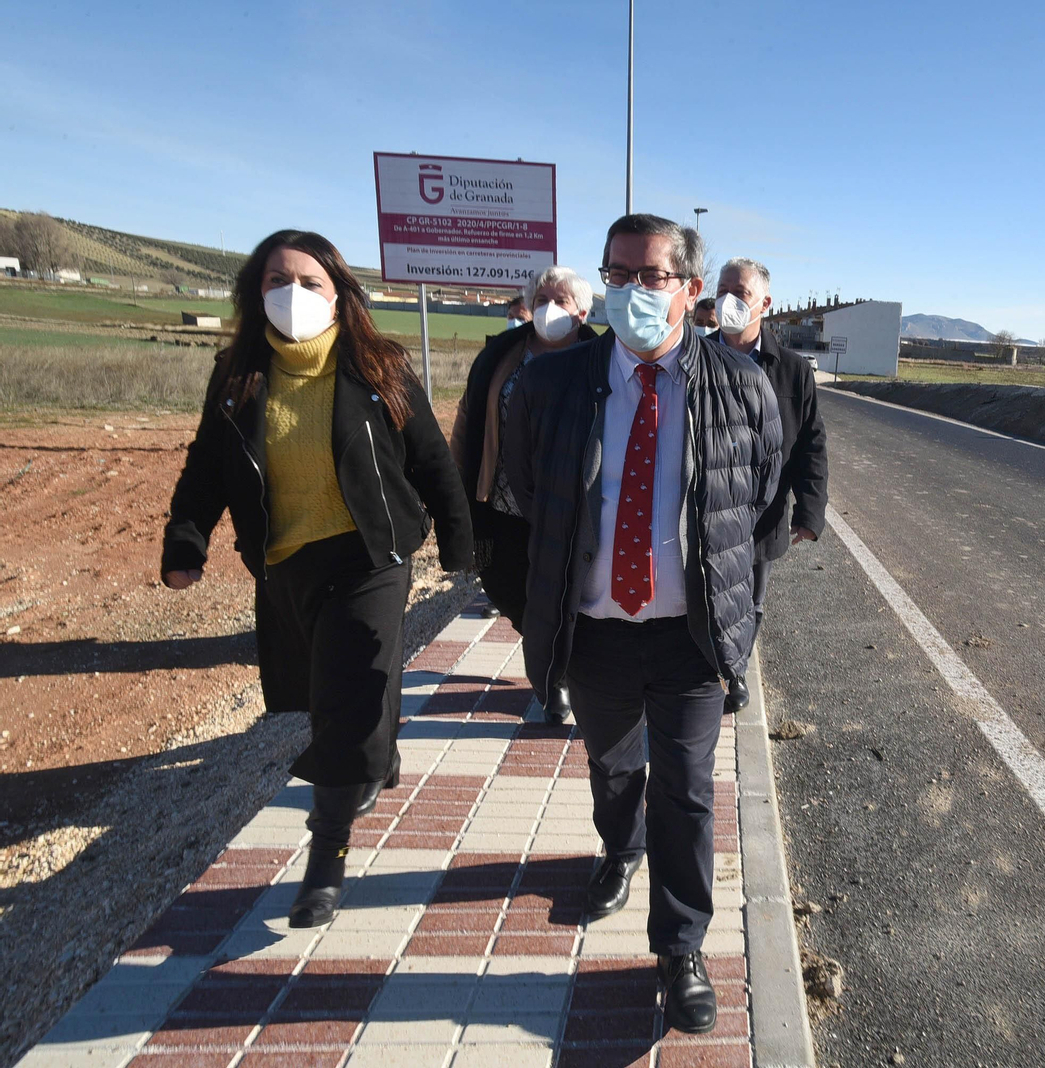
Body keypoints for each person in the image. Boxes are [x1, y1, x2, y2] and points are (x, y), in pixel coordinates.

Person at [502, 213, 780, 1034]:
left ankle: (682, 946)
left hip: (689, 636)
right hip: (595, 630)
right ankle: (618, 850)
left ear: (691, 290)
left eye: (649, 276)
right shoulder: (552, 384)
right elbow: (527, 489)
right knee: (615, 768)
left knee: (689, 795)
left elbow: (755, 505)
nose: (629, 291)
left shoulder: (740, 387)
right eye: (615, 274)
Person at [162, 230, 472, 929]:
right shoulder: (237, 377)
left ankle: (323, 864)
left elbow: (430, 459)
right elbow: (207, 467)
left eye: (309, 283)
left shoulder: (376, 367)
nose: (292, 295)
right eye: (277, 280)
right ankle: (373, 755)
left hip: (372, 557)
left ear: (340, 295)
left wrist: (458, 540)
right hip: (285, 565)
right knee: (337, 696)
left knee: (349, 698)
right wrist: (186, 539)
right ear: (254, 290)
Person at [449, 266, 597, 723]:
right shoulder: (502, 354)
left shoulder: (600, 357)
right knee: (507, 589)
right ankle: (544, 652)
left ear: (582, 311)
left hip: (571, 507)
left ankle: (557, 679)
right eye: (542, 297)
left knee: (569, 597)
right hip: (502, 505)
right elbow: (469, 418)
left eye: (561, 300)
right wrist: (457, 489)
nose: (549, 307)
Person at [711, 258, 828, 712]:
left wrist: (810, 513)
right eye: (722, 290)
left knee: (751, 602)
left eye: (739, 292)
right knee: (701, 596)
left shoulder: (793, 371)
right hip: (703, 506)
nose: (728, 301)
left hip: (763, 513)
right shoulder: (694, 357)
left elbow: (811, 445)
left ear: (764, 303)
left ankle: (736, 672)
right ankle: (703, 672)